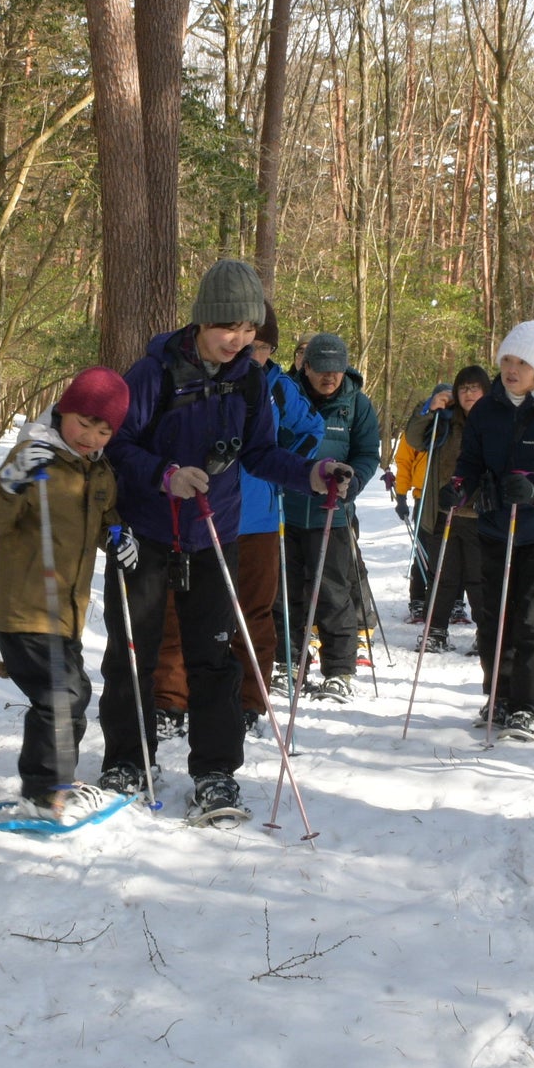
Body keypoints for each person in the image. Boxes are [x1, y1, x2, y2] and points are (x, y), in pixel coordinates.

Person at [99, 260, 353, 821]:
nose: (238, 339)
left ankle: (215, 772)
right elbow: (116, 446)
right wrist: (165, 475)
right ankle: (127, 760)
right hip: (147, 533)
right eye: (228, 327)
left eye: (248, 329)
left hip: (215, 532)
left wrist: (313, 474)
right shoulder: (153, 373)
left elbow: (261, 453)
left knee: (214, 656)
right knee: (133, 652)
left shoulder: (250, 380)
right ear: (202, 321)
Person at [148, 303, 322, 739]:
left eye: (262, 345)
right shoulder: (200, 376)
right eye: (247, 341)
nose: (252, 351)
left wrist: (287, 460)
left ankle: (248, 699)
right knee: (177, 610)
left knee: (252, 613)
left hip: (257, 516)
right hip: (200, 515)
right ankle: (170, 698)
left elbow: (311, 430)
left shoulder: (278, 387)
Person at [0, 367, 127, 820]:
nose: (90, 437)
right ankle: (44, 791)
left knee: (73, 695)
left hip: (67, 611)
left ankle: (55, 784)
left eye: (103, 431)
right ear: (64, 412)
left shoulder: (99, 469)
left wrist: (119, 536)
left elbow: (105, 519)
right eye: (84, 423)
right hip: (24, 607)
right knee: (61, 696)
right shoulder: (33, 455)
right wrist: (15, 477)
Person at [441, 321, 534, 739]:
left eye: (521, 362)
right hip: (494, 528)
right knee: (493, 619)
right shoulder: (486, 411)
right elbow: (470, 462)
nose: (511, 369)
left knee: (531, 621)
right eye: (506, 360)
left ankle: (530, 706)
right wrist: (459, 486)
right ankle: (500, 697)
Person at [280, 333, 382, 701]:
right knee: (286, 591)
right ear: (305, 366)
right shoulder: (286, 396)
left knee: (333, 593)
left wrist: (353, 481)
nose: (330, 376)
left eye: (336, 369)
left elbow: (367, 453)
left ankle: (339, 669)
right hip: (287, 511)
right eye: (322, 369)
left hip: (333, 516)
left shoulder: (356, 404)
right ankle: (288, 661)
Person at [393, 365, 488, 650]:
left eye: (474, 388)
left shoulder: (496, 421)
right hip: (442, 511)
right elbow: (414, 439)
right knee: (442, 576)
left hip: (480, 515)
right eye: (463, 388)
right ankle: (435, 630)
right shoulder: (444, 421)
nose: (469, 393)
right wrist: (428, 410)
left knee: (478, 578)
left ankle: (486, 633)